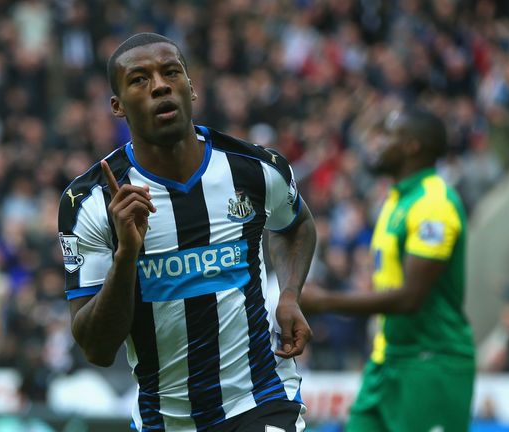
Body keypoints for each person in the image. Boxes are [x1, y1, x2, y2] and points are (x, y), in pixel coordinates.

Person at [57, 33, 317, 431]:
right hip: (164, 420)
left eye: (171, 72)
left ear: (191, 89)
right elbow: (97, 347)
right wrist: (126, 254)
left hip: (261, 400)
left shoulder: (253, 169)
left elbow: (296, 224)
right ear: (117, 106)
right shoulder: (89, 203)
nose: (160, 85)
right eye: (139, 79)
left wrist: (288, 294)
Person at [301, 108, 475, 432]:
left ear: (412, 146)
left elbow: (411, 298)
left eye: (387, 135)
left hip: (431, 363)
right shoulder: (396, 200)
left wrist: (325, 301)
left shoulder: (434, 204)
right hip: (387, 361)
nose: (375, 143)